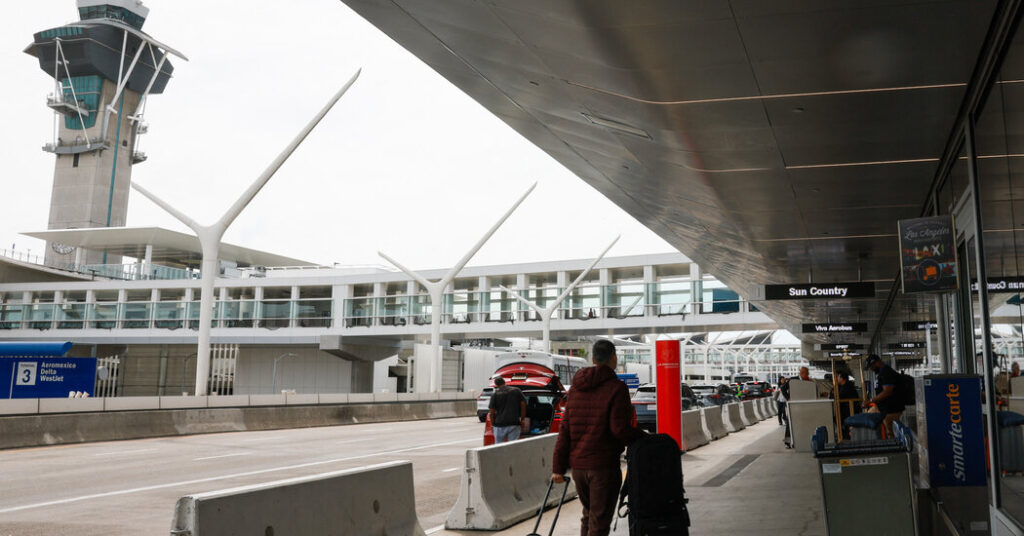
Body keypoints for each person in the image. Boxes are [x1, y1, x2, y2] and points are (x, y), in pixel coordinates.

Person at [552, 339, 642, 536]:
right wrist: (642, 437)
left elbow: (565, 429)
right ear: (614, 358)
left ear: (593, 359)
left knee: (589, 515)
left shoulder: (576, 388)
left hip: (578, 469)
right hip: (603, 467)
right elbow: (619, 429)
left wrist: (558, 467)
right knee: (599, 523)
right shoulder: (617, 388)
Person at [864, 354, 905, 438]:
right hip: (883, 408)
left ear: (877, 363)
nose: (871, 369)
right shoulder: (881, 373)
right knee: (867, 418)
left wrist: (871, 400)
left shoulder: (886, 372)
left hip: (891, 409)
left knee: (891, 433)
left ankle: (894, 443)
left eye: (871, 367)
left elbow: (887, 391)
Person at [488, 376, 525, 444]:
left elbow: (492, 412)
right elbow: (523, 405)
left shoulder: (495, 395)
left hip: (499, 425)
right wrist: (522, 419)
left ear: (496, 385)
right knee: (513, 446)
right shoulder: (516, 390)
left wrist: (493, 425)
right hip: (514, 423)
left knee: (499, 446)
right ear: (504, 382)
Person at [830, 372, 860, 440]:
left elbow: (838, 396)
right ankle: (844, 434)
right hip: (847, 409)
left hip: (850, 410)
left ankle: (845, 435)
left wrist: (832, 394)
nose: (837, 379)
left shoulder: (847, 387)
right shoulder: (845, 386)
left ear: (842, 379)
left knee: (836, 418)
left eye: (838, 377)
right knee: (836, 417)